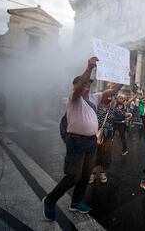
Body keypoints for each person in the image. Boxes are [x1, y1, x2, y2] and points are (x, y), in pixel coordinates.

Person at [43, 57, 125, 221]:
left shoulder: (94, 97)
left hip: (90, 142)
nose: (88, 85)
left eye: (89, 83)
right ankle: (50, 200)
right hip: (77, 142)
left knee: (86, 174)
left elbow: (112, 91)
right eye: (85, 83)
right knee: (74, 175)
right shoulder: (74, 97)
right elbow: (80, 85)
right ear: (77, 86)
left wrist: (124, 78)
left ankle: (76, 202)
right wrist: (89, 68)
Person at [90, 96, 131, 184]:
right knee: (94, 154)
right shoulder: (96, 106)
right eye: (107, 96)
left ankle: (102, 173)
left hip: (108, 135)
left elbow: (121, 114)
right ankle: (92, 173)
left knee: (105, 154)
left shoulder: (112, 108)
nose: (109, 98)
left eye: (111, 97)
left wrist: (128, 114)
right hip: (96, 134)